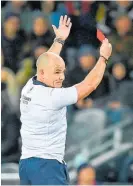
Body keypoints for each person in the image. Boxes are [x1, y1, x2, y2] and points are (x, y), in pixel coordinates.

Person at [19, 15, 112, 185]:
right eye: (57, 73)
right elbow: (89, 85)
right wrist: (103, 58)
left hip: (26, 164)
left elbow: (47, 60)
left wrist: (60, 39)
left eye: (62, 72)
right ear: (42, 74)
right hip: (46, 167)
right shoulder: (52, 97)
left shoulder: (30, 85)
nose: (61, 77)